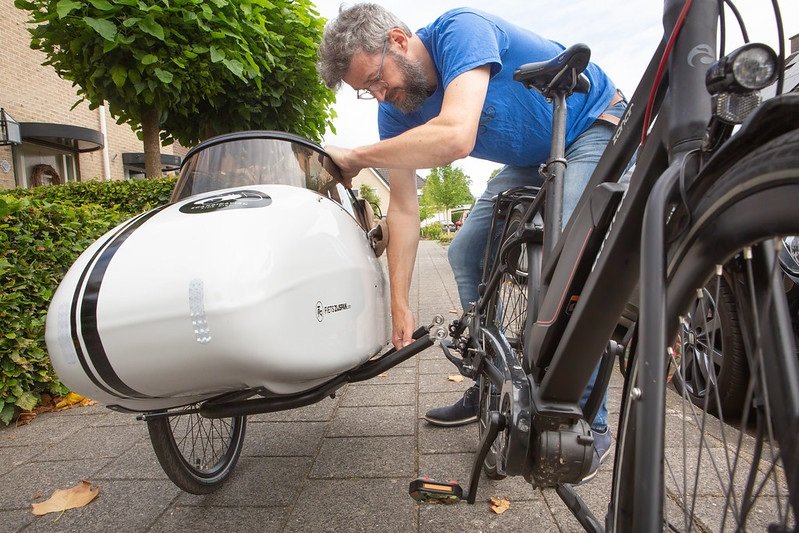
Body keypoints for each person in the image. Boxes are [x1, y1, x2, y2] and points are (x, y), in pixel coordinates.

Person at [317, 3, 626, 482]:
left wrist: (356, 155)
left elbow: (457, 135)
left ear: (398, 41)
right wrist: (399, 302)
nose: (379, 95)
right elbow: (402, 210)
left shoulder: (461, 31)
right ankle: (489, 386)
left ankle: (589, 423)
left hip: (590, 125)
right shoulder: (397, 110)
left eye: (377, 79)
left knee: (569, 259)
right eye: (367, 92)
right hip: (532, 156)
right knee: (465, 251)